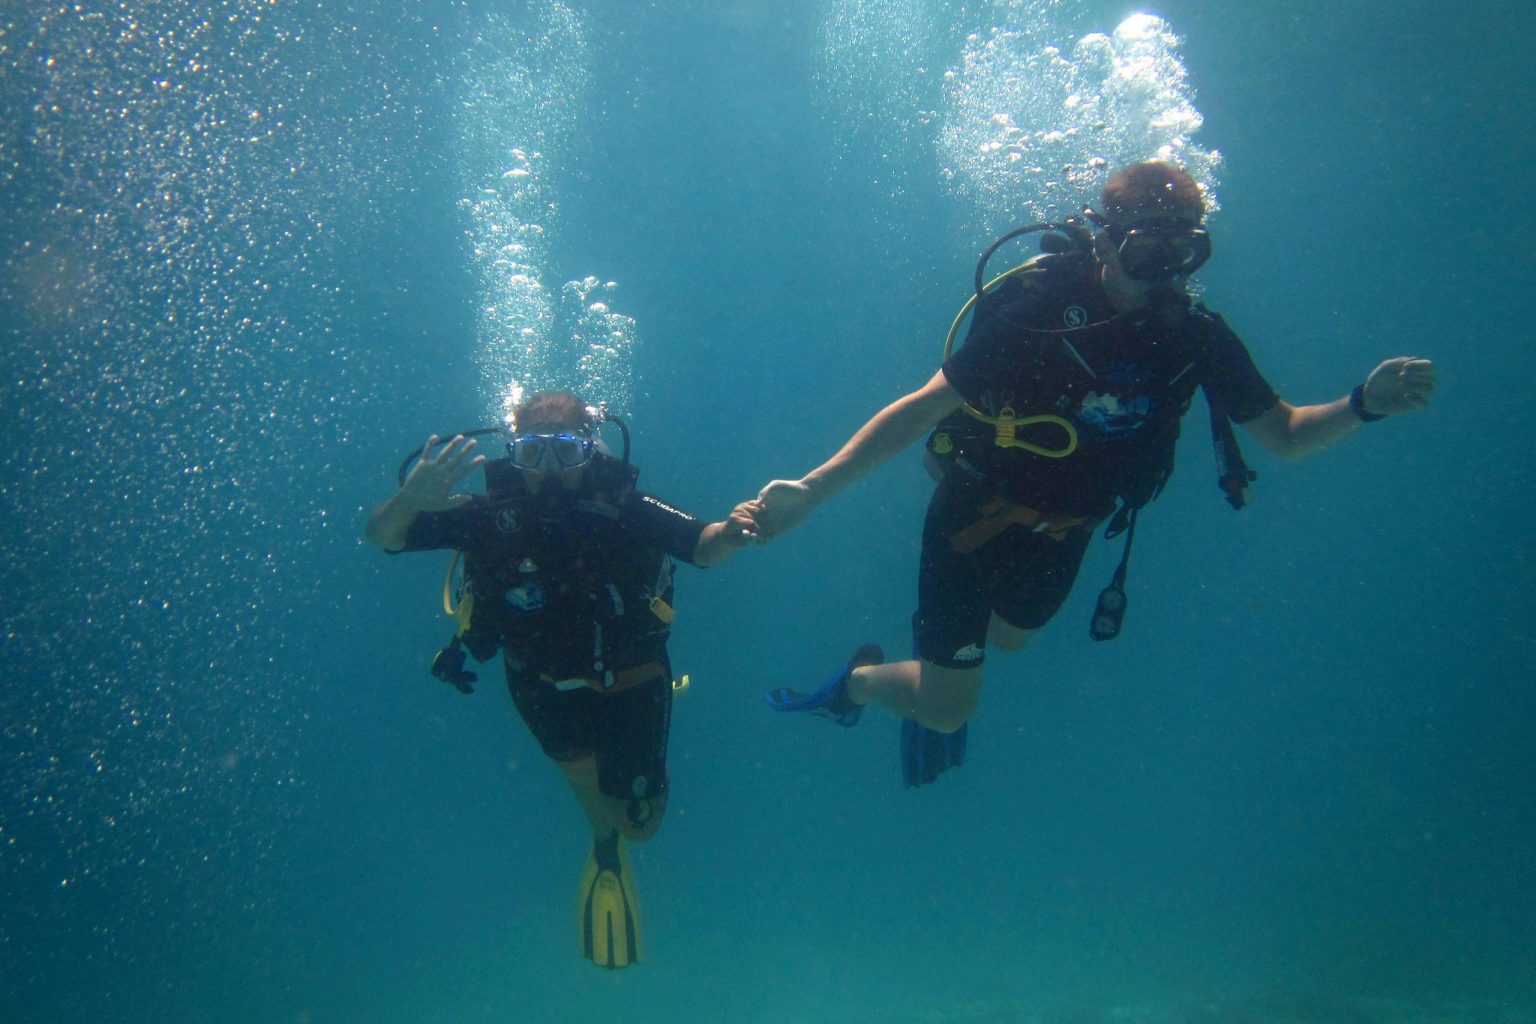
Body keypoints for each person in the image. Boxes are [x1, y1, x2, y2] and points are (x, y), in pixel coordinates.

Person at [755, 161, 1436, 786]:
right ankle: (864, 683)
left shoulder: (1197, 336)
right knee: (947, 713)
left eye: (1182, 255)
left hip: (1068, 529)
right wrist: (813, 488)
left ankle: (941, 673)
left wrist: (1361, 405)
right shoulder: (1037, 312)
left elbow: (1285, 434)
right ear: (1104, 242)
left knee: (1013, 639)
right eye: (1146, 254)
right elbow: (921, 409)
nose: (1163, 276)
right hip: (972, 514)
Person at [365, 390, 759, 969]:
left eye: (565, 455)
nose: (547, 473)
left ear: (591, 451)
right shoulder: (486, 517)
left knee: (642, 826)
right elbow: (383, 535)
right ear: (512, 452)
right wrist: (408, 500)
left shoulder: (625, 508)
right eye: (532, 454)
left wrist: (736, 530)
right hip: (538, 682)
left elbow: (702, 544)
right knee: (582, 778)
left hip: (633, 680)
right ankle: (604, 847)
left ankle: (619, 831)